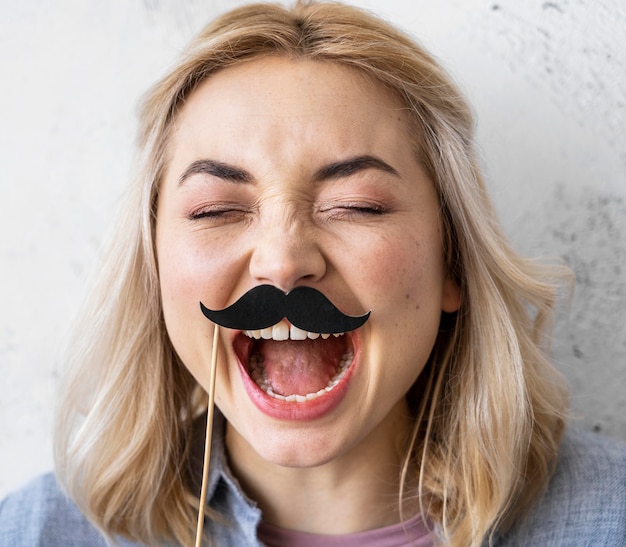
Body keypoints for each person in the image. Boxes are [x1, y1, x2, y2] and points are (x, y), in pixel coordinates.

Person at [1, 1, 625, 546]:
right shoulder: (36, 532)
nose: (282, 263)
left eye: (355, 206)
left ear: (453, 264)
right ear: (156, 269)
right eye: (217, 210)